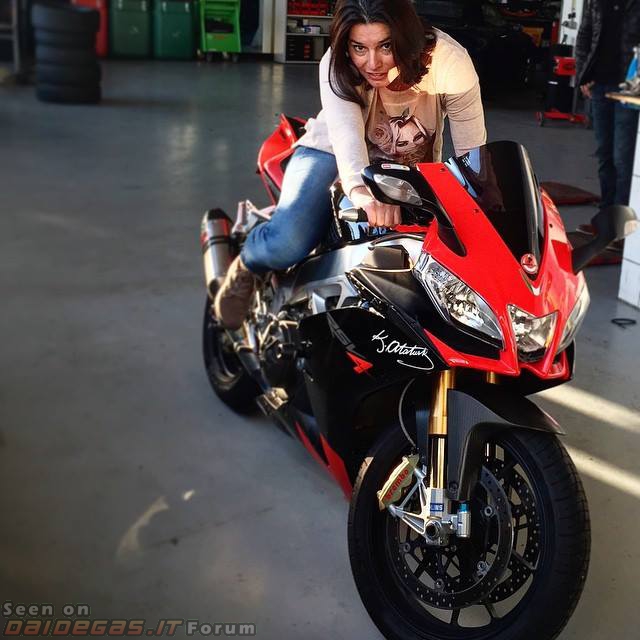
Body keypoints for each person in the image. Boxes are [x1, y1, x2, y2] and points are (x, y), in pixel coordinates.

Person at [215, 0, 487, 329]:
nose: (372, 63)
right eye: (360, 48)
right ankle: (247, 263)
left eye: (386, 46)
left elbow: (474, 160)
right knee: (289, 240)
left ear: (406, 37)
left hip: (409, 165)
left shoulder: (449, 63)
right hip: (332, 151)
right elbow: (348, 147)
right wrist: (366, 196)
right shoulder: (337, 64)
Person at [576, 0, 640, 209]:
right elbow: (584, 37)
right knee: (604, 152)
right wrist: (583, 75)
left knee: (622, 157)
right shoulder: (596, 2)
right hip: (599, 86)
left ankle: (621, 214)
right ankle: (606, 208)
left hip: (627, 90)